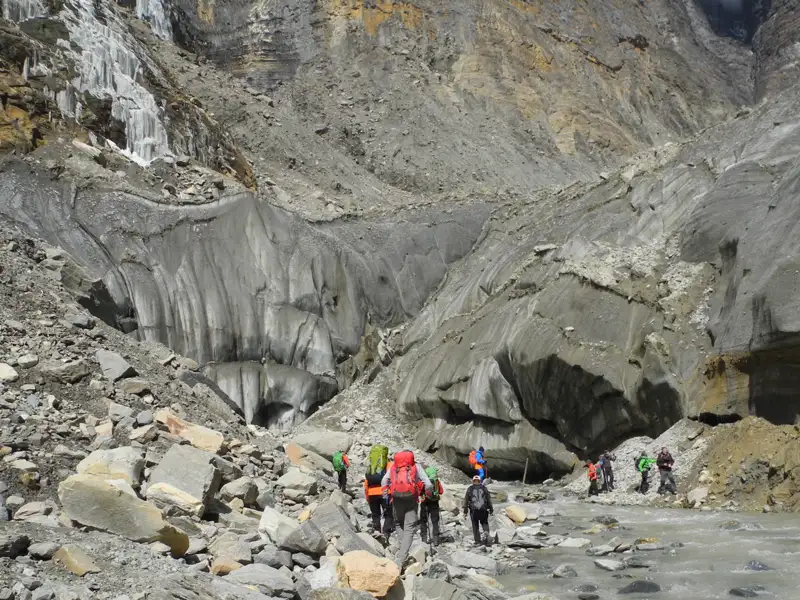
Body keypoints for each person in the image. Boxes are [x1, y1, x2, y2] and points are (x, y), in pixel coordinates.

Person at [381, 449, 432, 569]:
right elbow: (428, 484)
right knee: (409, 528)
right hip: (411, 498)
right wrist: (428, 494)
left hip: (396, 498)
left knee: (398, 523)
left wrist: (385, 495)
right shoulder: (416, 467)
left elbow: (384, 480)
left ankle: (402, 550)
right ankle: (401, 558)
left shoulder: (394, 467)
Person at [364, 444, 393, 537]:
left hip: (372, 493)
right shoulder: (389, 465)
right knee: (388, 513)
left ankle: (377, 529)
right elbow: (392, 480)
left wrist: (368, 497)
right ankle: (386, 532)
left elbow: (366, 483)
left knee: (375, 513)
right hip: (385, 492)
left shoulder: (371, 467)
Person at [463, 474, 493, 545]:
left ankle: (477, 541)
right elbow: (489, 499)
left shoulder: (470, 488)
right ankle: (486, 533)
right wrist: (491, 509)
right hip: (483, 510)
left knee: (475, 525)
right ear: (480, 481)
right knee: (484, 522)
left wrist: (465, 512)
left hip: (474, 511)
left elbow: (466, 501)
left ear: (473, 481)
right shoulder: (484, 488)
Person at [419, 466, 444, 546]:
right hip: (434, 502)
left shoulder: (424, 481)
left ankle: (424, 538)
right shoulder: (436, 481)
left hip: (425, 502)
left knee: (423, 520)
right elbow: (441, 491)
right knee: (435, 521)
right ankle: (436, 539)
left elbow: (419, 491)